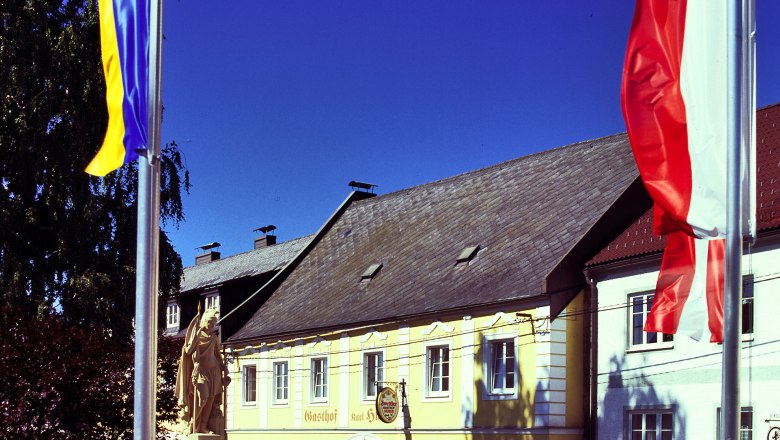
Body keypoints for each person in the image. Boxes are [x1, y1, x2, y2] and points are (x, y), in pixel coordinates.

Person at [175, 308, 231, 435]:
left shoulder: (213, 337)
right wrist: (194, 339)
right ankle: (193, 423)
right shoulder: (197, 336)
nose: (212, 325)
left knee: (211, 400)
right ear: (204, 321)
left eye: (214, 322)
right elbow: (188, 351)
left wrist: (223, 367)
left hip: (214, 372)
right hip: (201, 372)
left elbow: (217, 355)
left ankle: (203, 427)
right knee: (203, 398)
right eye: (210, 322)